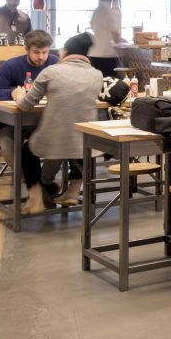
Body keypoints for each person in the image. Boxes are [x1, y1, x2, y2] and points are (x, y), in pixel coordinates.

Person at [15, 33, 103, 213]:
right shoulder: (97, 74)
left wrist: (18, 96)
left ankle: (35, 198)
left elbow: (25, 105)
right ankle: (72, 191)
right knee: (81, 143)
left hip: (53, 136)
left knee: (26, 151)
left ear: (65, 52)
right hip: (85, 139)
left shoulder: (51, 72)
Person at [0, 30, 59, 173]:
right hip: (11, 121)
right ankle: (26, 179)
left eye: (45, 52)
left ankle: (46, 179)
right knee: (8, 142)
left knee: (63, 135)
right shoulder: (11, 65)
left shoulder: (54, 63)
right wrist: (11, 93)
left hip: (43, 119)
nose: (41, 57)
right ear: (26, 49)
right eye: (36, 52)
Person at [88, 0, 123, 78]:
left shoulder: (97, 10)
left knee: (96, 80)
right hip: (106, 54)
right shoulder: (108, 10)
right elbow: (115, 32)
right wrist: (118, 41)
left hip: (93, 53)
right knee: (108, 80)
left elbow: (91, 25)